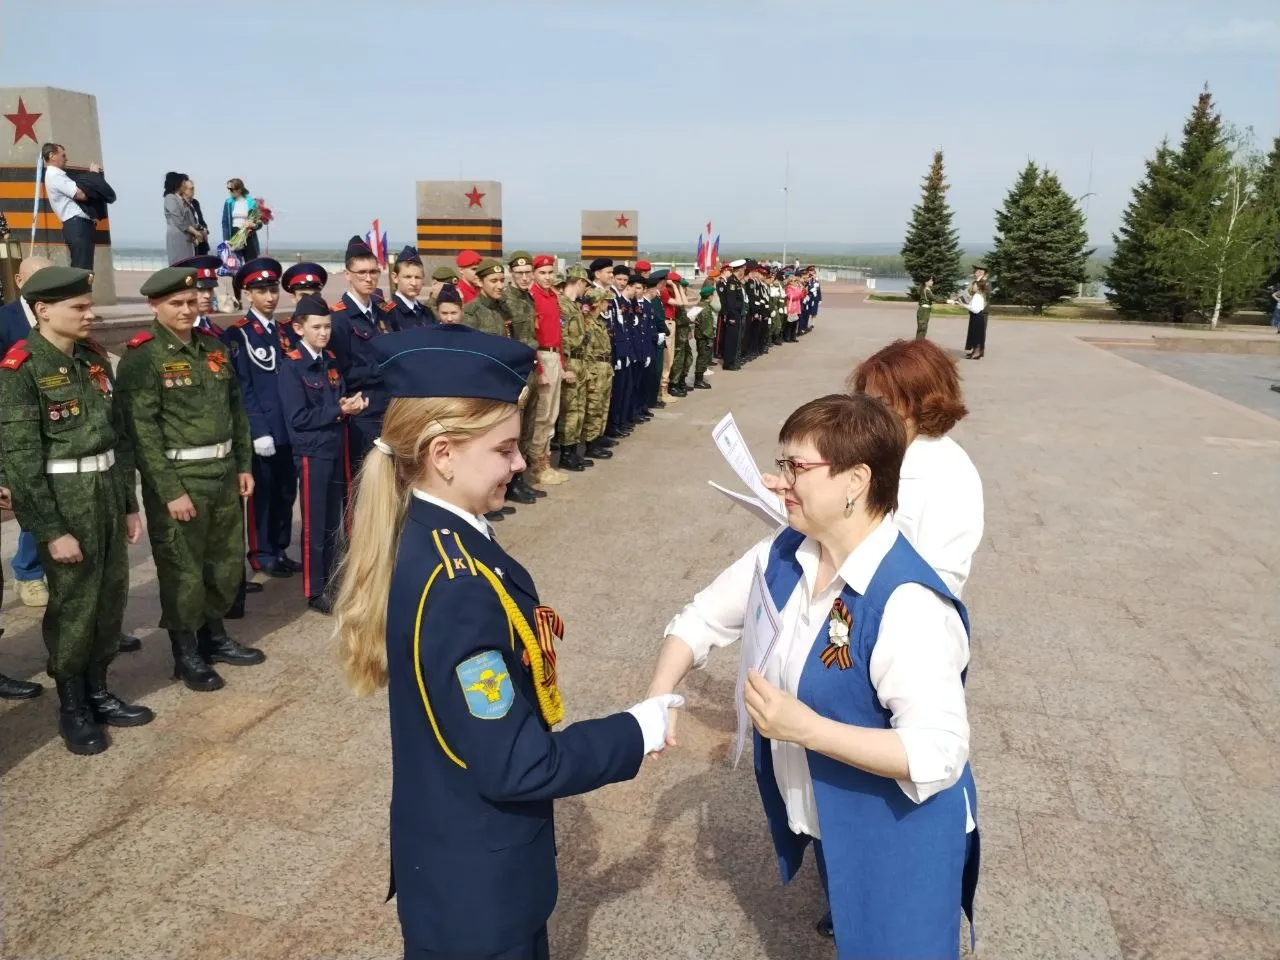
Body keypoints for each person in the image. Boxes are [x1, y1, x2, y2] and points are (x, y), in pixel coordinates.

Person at [334, 322, 681, 958]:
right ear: (443, 453)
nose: (520, 464)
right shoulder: (457, 583)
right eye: (504, 450)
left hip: (447, 862)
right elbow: (517, 763)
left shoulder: (436, 536)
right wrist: (638, 730)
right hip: (478, 896)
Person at [646, 393, 979, 959]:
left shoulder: (908, 602)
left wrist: (806, 729)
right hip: (833, 820)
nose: (779, 483)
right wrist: (659, 695)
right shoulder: (786, 553)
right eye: (782, 464)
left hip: (899, 835)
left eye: (796, 467)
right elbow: (701, 617)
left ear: (855, 481)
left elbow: (939, 752)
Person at [0, 267, 152, 755]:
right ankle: (72, 704)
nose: (90, 314)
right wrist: (50, 530)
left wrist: (129, 504)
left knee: (110, 598)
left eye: (89, 304)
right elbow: (22, 463)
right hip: (67, 503)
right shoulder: (21, 369)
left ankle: (99, 690)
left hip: (107, 491)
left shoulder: (92, 360)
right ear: (43, 310)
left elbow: (119, 436)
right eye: (78, 307)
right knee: (72, 607)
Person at [117, 266, 266, 693]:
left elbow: (236, 411)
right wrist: (170, 492)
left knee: (223, 563)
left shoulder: (211, 349)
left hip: (222, 474)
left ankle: (214, 637)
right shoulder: (143, 358)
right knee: (183, 571)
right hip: (181, 477)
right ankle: (186, 654)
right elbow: (141, 435)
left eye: (191, 301)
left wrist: (243, 464)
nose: (187, 309)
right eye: (176, 304)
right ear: (154, 306)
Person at [850, 339, 984, 597]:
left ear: (923, 402)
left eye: (885, 404)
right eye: (866, 401)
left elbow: (942, 577)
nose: (868, 414)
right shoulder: (876, 447)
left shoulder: (949, 474)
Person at [279, 295, 368, 614]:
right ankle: (315, 590)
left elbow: (338, 396)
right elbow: (298, 418)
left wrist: (351, 404)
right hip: (312, 453)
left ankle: (330, 579)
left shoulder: (330, 360)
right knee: (315, 525)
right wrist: (337, 410)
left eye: (327, 326)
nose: (323, 332)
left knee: (333, 522)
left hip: (336, 446)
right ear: (299, 328)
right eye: (316, 327)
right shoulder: (292, 366)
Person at [224, 257, 299, 578]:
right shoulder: (239, 335)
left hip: (289, 427)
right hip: (264, 429)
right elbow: (243, 387)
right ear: (247, 294)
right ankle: (261, 552)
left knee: (286, 491)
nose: (270, 296)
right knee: (263, 496)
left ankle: (280, 547)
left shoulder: (284, 331)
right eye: (262, 290)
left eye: (272, 289)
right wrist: (258, 430)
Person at [329, 236, 393, 475]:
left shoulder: (382, 314)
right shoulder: (339, 318)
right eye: (362, 273)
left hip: (387, 407)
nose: (369, 278)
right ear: (348, 275)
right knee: (361, 481)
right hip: (361, 411)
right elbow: (340, 370)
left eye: (374, 272)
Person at [40, 143, 99, 270]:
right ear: (52, 156)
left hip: (79, 225)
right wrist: (93, 176)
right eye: (63, 155)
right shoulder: (55, 175)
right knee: (82, 271)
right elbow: (81, 195)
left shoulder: (56, 175)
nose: (66, 158)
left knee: (84, 270)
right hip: (77, 225)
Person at [579, 286, 616, 461]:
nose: (607, 304)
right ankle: (590, 443)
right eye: (605, 301)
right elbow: (586, 351)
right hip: (595, 368)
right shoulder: (586, 324)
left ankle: (598, 437)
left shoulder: (600, 323)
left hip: (605, 366)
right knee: (593, 407)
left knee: (603, 405)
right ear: (596, 303)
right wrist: (590, 374)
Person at [222, 179, 260, 307]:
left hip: (249, 236)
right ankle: (238, 300)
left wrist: (253, 225)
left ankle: (254, 300)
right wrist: (227, 240)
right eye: (228, 189)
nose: (229, 192)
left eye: (231, 189)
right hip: (234, 236)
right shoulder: (228, 203)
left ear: (239, 189)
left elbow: (259, 221)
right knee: (235, 270)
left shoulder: (251, 202)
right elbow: (225, 223)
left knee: (251, 269)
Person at [383, 247, 435, 329]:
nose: (414, 283)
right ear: (395, 277)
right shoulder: (388, 313)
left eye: (417, 277)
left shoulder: (427, 313)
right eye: (407, 277)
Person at [163, 172, 201, 265]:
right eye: (183, 183)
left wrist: (195, 232)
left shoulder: (181, 199)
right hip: (177, 237)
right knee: (179, 265)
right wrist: (195, 232)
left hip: (187, 238)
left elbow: (189, 218)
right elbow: (179, 220)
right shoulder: (170, 198)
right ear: (177, 184)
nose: (185, 186)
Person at [717, 259, 747, 371]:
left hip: (737, 314)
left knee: (735, 340)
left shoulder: (736, 281)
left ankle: (733, 361)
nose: (744, 272)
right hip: (733, 316)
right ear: (739, 270)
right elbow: (731, 302)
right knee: (731, 340)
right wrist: (732, 316)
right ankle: (728, 363)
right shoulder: (732, 282)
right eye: (743, 270)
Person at [689, 282, 715, 389]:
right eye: (713, 295)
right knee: (703, 357)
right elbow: (707, 326)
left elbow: (690, 316)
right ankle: (698, 381)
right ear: (709, 296)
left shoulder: (699, 305)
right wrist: (710, 338)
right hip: (704, 337)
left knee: (701, 356)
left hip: (700, 335)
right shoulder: (706, 308)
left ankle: (699, 379)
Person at [963, 265, 989, 360]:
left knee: (980, 332)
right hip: (974, 310)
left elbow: (987, 296)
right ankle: (974, 350)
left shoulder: (985, 282)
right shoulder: (976, 282)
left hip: (981, 311)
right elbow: (970, 293)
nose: (974, 273)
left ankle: (979, 351)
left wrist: (978, 306)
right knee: (974, 331)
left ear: (982, 272)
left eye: (976, 271)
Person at [185, 180, 211, 256]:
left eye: (193, 189)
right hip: (192, 236)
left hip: (202, 235)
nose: (193, 191)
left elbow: (200, 219)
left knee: (204, 260)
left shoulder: (195, 202)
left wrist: (205, 229)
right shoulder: (182, 204)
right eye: (191, 189)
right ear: (184, 190)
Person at [784, 274, 804, 343]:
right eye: (794, 281)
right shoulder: (788, 288)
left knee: (795, 323)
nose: (795, 282)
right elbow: (792, 296)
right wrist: (799, 291)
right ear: (790, 281)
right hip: (791, 307)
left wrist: (801, 290)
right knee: (790, 323)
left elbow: (801, 296)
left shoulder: (797, 288)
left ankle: (793, 336)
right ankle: (787, 337)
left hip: (796, 307)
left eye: (796, 280)